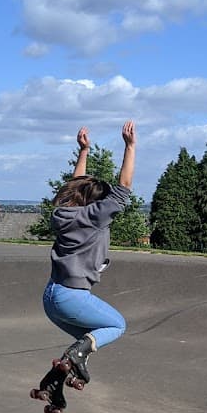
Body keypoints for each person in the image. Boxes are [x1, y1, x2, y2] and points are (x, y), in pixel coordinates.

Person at [41, 120, 136, 388]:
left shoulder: (62, 212)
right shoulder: (95, 217)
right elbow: (124, 186)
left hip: (51, 298)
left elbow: (75, 185)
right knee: (116, 326)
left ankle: (61, 374)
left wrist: (83, 151)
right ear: (97, 204)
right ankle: (74, 358)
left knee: (91, 337)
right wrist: (130, 147)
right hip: (72, 296)